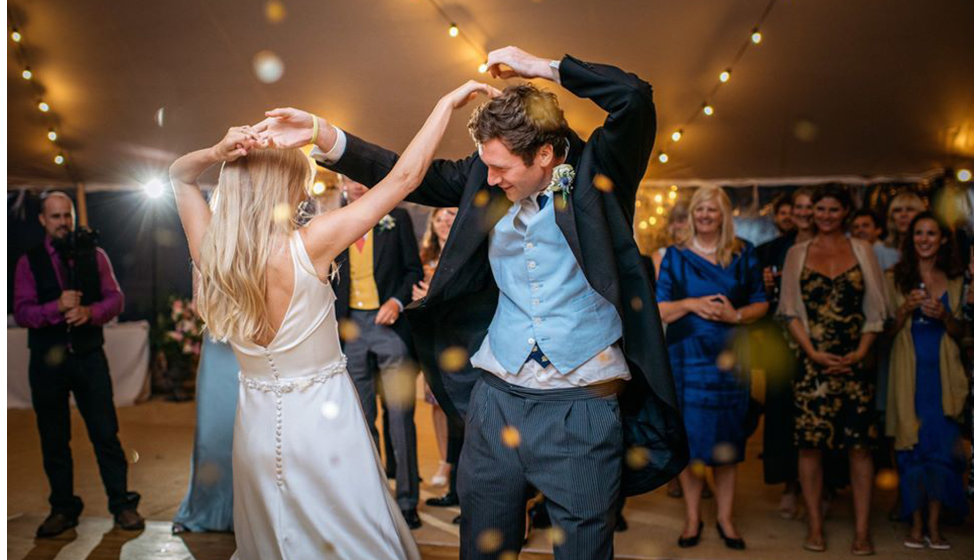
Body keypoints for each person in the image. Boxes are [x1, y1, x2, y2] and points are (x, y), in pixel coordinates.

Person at [269, 46, 688, 560]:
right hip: (495, 401)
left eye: (500, 167)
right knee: (482, 545)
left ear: (545, 154)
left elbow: (633, 97)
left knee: (583, 548)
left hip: (582, 404)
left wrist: (542, 69)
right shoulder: (481, 175)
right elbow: (407, 173)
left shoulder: (602, 173)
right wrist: (321, 132)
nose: (489, 179)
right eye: (485, 165)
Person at [170, 80, 497, 559]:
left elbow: (178, 176)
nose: (307, 186)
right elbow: (405, 179)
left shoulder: (213, 253)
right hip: (325, 421)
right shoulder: (311, 243)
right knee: (352, 538)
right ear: (282, 187)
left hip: (256, 426)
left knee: (274, 537)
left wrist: (218, 151)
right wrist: (444, 105)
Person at [13, 192, 144, 538]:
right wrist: (55, 307)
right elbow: (22, 312)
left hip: (89, 358)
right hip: (47, 364)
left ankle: (122, 505)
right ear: (43, 220)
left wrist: (91, 312)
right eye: (55, 217)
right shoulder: (29, 261)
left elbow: (115, 298)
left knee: (105, 433)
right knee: (54, 439)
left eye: (66, 216)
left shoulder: (95, 255)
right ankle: (63, 509)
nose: (63, 223)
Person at [778, 184, 887, 555]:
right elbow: (789, 311)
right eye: (819, 209)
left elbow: (877, 310)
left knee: (860, 449)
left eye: (832, 209)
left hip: (856, 363)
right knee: (810, 448)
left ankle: (861, 531)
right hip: (812, 365)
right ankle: (815, 525)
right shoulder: (797, 253)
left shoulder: (864, 250)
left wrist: (859, 353)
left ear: (845, 213)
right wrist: (813, 352)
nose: (824, 215)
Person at [656, 186, 768, 550]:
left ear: (724, 215)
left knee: (728, 439)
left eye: (712, 210)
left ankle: (725, 518)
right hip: (686, 360)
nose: (705, 215)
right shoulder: (675, 256)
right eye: (700, 209)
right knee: (691, 441)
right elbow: (661, 310)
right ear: (692, 215)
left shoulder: (743, 253)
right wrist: (690, 303)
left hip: (730, 359)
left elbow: (760, 303)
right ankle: (692, 518)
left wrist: (734, 315)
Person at [332, 174, 424, 528]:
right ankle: (373, 501)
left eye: (363, 178)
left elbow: (412, 269)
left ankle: (407, 502)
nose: (359, 184)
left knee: (400, 417)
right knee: (361, 418)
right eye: (350, 179)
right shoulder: (332, 220)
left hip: (388, 326)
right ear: (341, 183)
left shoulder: (396, 219)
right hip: (350, 329)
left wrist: (397, 301)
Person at [885, 212, 968, 550]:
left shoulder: (958, 280)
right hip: (909, 376)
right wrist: (905, 310)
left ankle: (935, 526)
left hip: (943, 379)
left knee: (940, 450)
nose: (924, 239)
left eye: (931, 233)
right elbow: (884, 333)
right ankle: (915, 525)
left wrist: (945, 316)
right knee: (910, 448)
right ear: (911, 239)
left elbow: (964, 333)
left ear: (942, 239)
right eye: (918, 233)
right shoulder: (895, 278)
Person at [758, 187, 814, 517]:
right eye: (799, 207)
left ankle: (825, 488)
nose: (803, 213)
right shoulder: (772, 251)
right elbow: (760, 300)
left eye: (809, 207)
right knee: (782, 415)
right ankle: (790, 485)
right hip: (782, 341)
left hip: (824, 340)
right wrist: (764, 287)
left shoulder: (834, 245)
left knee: (821, 416)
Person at [172, 334, 239, 533]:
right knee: (214, 433)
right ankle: (209, 508)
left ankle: (253, 512)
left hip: (265, 342)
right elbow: (200, 306)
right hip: (221, 341)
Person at [414, 207, 458, 489]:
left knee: (458, 405)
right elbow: (415, 293)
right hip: (433, 339)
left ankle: (460, 462)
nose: (444, 222)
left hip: (459, 339)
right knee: (436, 404)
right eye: (439, 218)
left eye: (451, 216)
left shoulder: (465, 253)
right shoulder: (424, 257)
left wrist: (431, 297)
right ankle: (445, 460)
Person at [883, 191, 926, 256]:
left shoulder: (928, 250)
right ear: (891, 217)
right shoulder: (880, 250)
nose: (903, 214)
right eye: (897, 210)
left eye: (909, 209)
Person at [652, 202, 689, 279]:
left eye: (688, 221)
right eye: (680, 221)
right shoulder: (660, 257)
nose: (684, 226)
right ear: (671, 226)